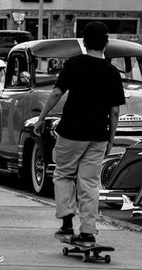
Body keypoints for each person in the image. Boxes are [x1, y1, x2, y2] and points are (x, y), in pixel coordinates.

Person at [33, 21, 125, 247]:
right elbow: (114, 111)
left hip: (72, 132)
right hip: (98, 136)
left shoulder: (74, 64)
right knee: (90, 183)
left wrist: (41, 118)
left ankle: (66, 226)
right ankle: (88, 232)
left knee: (63, 175)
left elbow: (56, 93)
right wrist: (111, 139)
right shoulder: (112, 72)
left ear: (84, 42)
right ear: (106, 43)